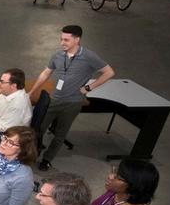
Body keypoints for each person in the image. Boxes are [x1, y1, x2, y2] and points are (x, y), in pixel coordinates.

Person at [28, 25, 115, 171]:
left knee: (60, 134)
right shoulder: (57, 55)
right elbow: (46, 73)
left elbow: (109, 72)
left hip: (73, 103)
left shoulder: (89, 56)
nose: (62, 43)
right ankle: (34, 153)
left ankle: (47, 159)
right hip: (55, 99)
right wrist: (31, 92)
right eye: (61, 39)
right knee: (38, 129)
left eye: (66, 40)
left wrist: (88, 88)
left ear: (77, 40)